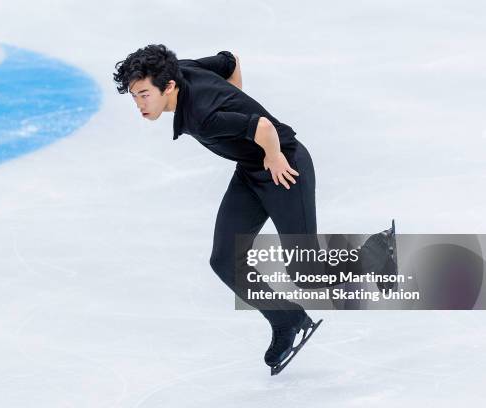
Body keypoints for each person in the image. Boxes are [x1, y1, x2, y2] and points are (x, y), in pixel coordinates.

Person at [112, 44, 395, 373]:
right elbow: (228, 60)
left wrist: (273, 157)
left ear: (169, 87)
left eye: (144, 95)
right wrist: (232, 97)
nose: (139, 104)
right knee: (224, 260)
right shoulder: (179, 68)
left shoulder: (203, 117)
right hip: (250, 172)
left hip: (284, 170)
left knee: (306, 272)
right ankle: (288, 321)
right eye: (134, 96)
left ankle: (377, 252)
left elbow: (262, 127)